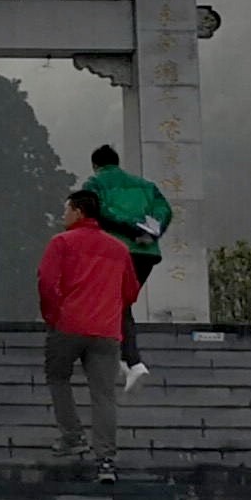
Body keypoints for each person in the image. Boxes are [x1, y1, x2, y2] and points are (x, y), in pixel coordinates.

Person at [35, 188, 132, 480]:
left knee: (57, 376)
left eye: (66, 210)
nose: (64, 216)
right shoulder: (119, 249)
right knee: (104, 395)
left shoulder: (62, 243)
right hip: (106, 331)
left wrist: (53, 316)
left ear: (78, 211)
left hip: (69, 325)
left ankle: (72, 436)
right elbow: (130, 292)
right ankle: (105, 460)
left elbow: (46, 283)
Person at [84, 144, 170, 388]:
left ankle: (132, 362)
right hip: (146, 252)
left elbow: (99, 210)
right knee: (121, 303)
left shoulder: (95, 183)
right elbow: (164, 209)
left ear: (95, 165)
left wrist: (132, 228)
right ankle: (123, 359)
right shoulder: (145, 186)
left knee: (114, 303)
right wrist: (152, 230)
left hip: (115, 250)